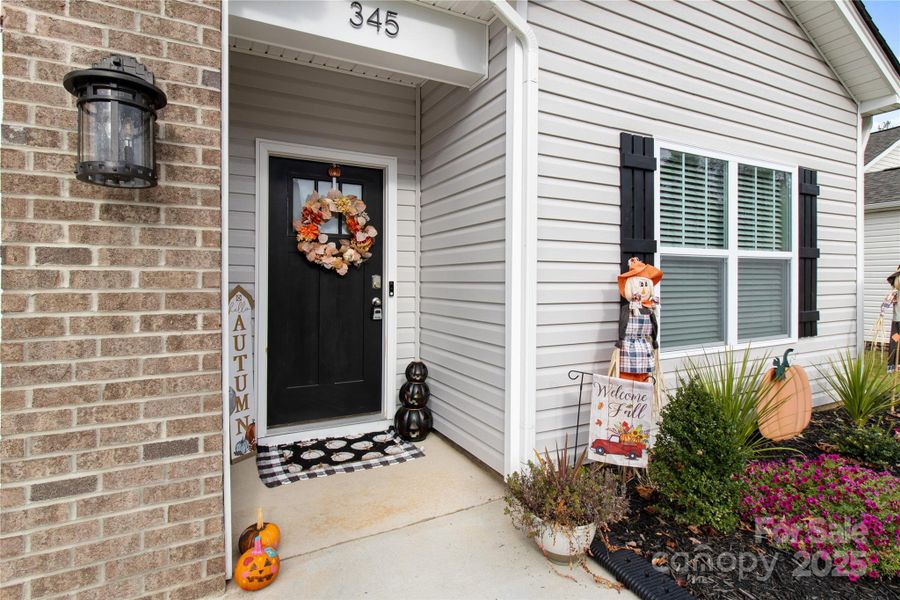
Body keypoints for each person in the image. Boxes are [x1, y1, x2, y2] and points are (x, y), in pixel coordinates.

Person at [615, 258, 663, 382]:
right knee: (627, 378)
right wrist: (620, 340)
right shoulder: (628, 308)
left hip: (645, 347)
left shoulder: (649, 309)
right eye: (641, 285)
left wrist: (654, 341)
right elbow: (623, 324)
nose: (643, 290)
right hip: (628, 348)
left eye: (646, 285)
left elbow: (654, 326)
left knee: (644, 378)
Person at [884, 265, 900, 372]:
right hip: (897, 323)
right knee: (895, 341)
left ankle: (894, 365)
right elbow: (886, 303)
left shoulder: (894, 293)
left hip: (896, 323)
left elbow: (885, 304)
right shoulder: (895, 294)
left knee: (895, 341)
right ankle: (892, 365)